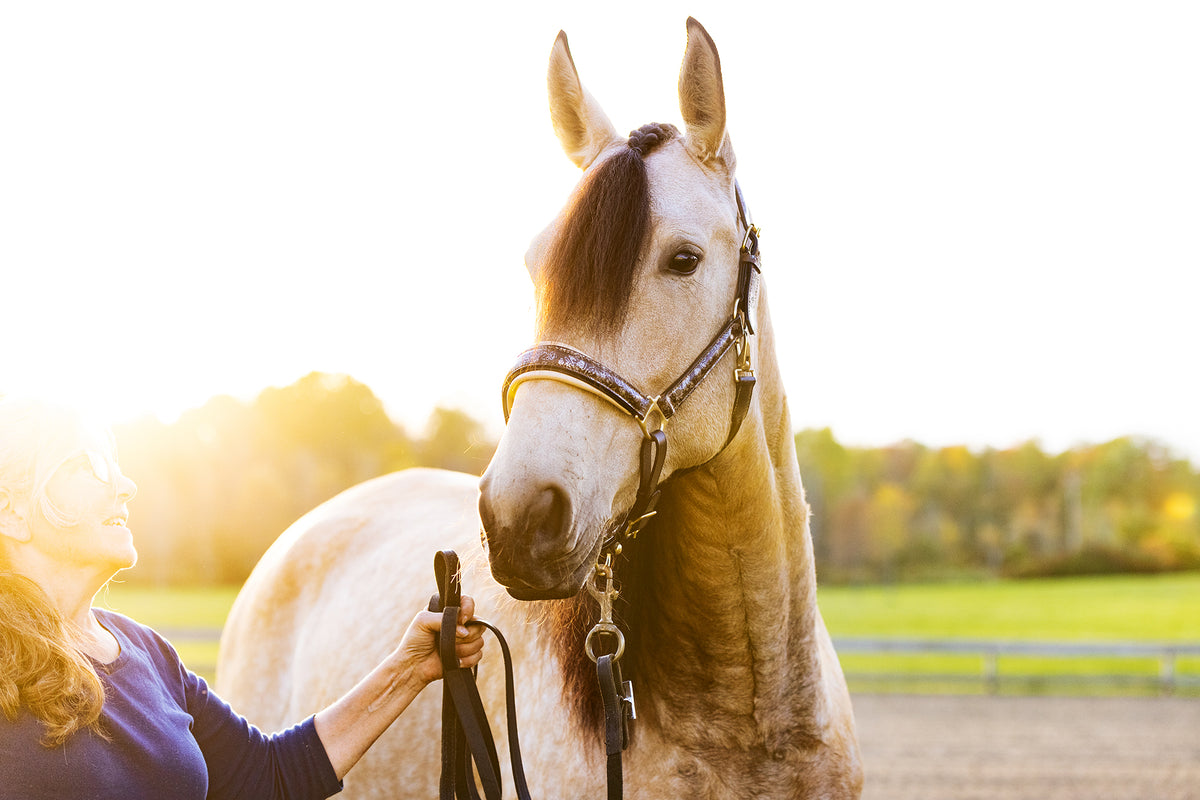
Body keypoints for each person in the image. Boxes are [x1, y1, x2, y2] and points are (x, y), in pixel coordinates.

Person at [0, 396, 485, 799]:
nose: (125, 487)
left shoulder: (148, 653)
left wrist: (409, 669)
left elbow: (268, 774)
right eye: (91, 466)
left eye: (118, 465)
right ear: (12, 511)